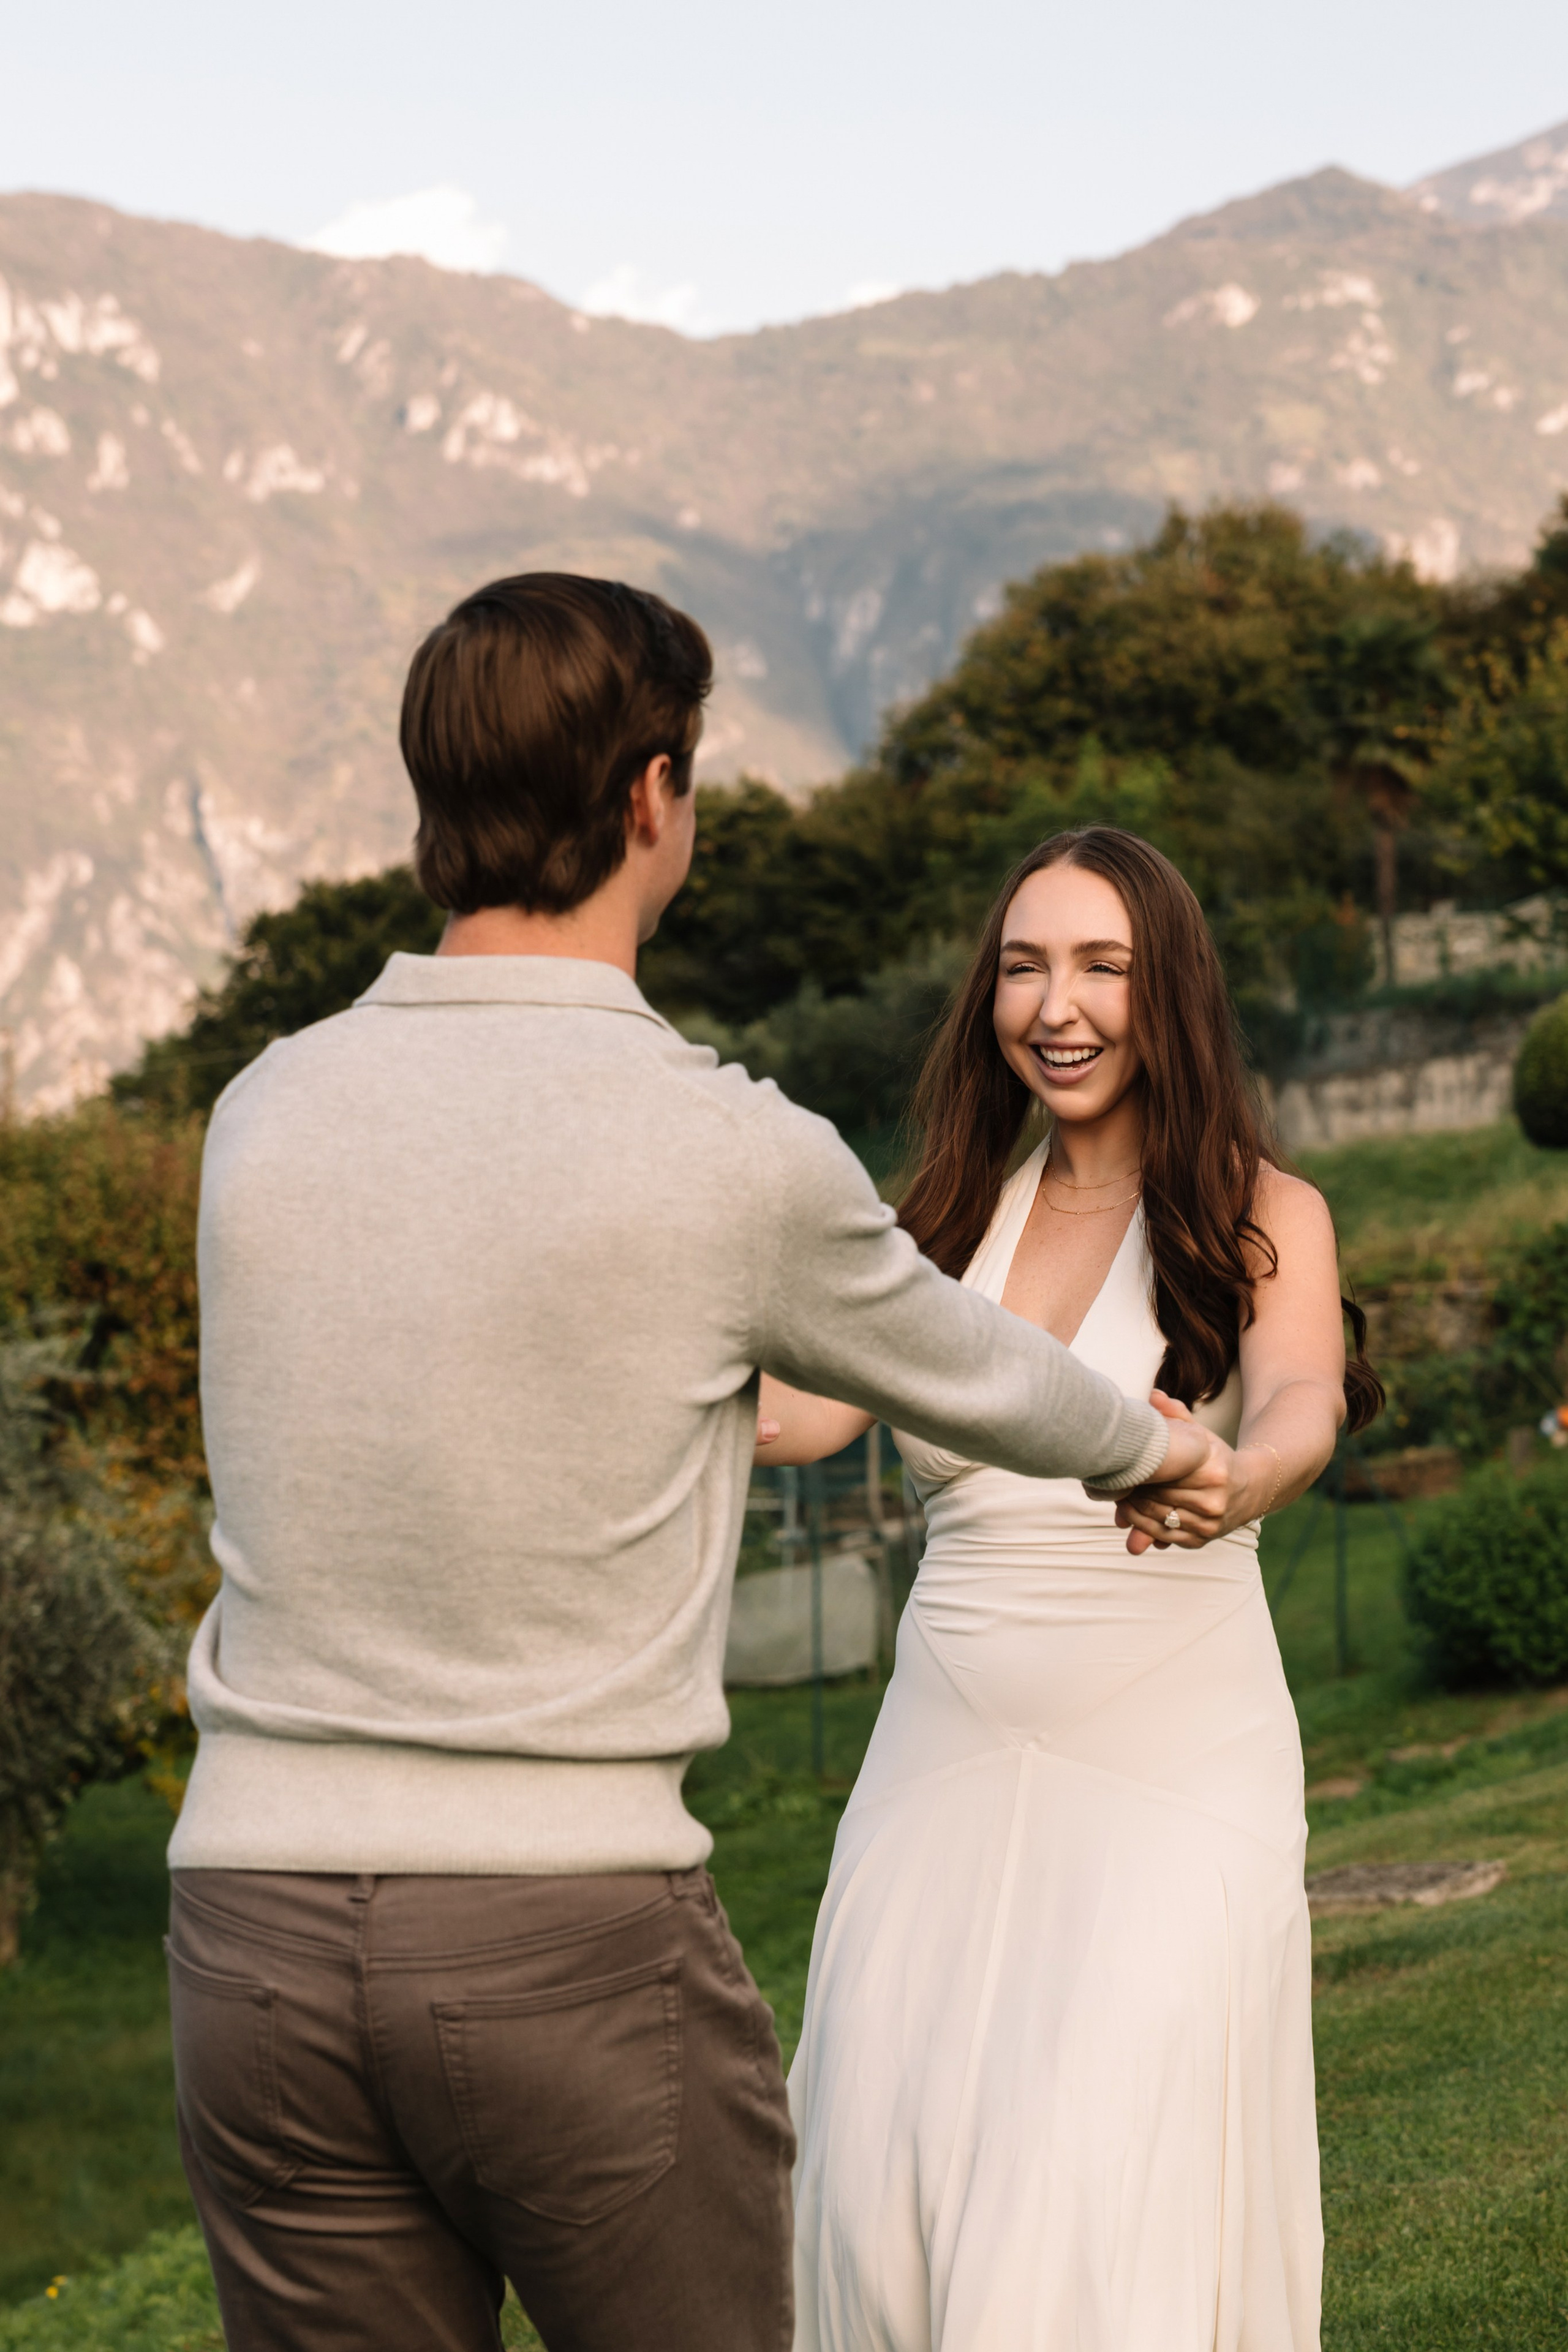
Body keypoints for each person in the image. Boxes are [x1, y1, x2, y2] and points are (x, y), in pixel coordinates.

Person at [164, 579, 1235, 2352]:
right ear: (653, 795)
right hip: (564, 1946)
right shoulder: (724, 1150)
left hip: (248, 1941)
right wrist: (1155, 1446)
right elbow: (968, 1364)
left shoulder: (258, 1113)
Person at [767, 827, 1382, 2352]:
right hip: (937, 1771)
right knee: (876, 2195)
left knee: (1087, 2186)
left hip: (1171, 1766)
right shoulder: (932, 1228)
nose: (1056, 1006)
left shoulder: (1261, 1212)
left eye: (1100, 966)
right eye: (1023, 968)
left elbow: (1299, 1398)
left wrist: (1237, 1476)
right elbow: (790, 1418)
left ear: (1165, 987)